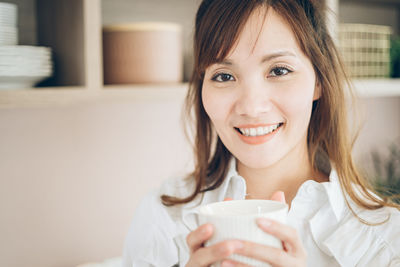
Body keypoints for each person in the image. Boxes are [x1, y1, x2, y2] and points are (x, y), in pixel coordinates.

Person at [122, 0, 400, 266]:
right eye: (224, 76)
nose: (251, 107)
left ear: (319, 81)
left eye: (279, 71)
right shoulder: (163, 217)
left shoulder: (385, 240)